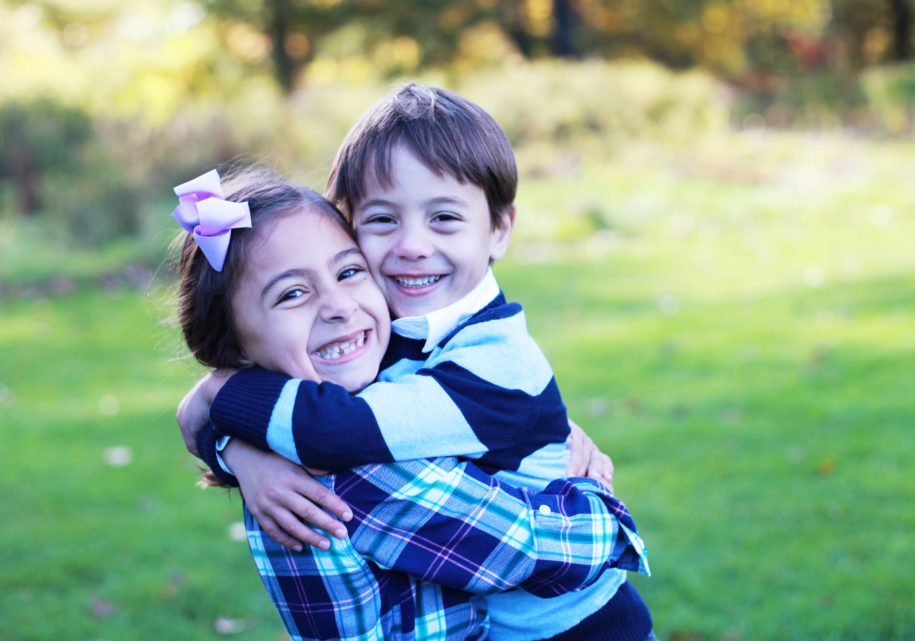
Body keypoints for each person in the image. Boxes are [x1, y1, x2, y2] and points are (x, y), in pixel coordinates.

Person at [179, 85, 655, 640]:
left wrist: (221, 395)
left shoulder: (495, 362)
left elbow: (334, 430)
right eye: (382, 221)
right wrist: (238, 450)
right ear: (350, 224)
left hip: (580, 629)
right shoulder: (384, 340)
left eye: (444, 219)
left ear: (499, 230)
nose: (411, 245)